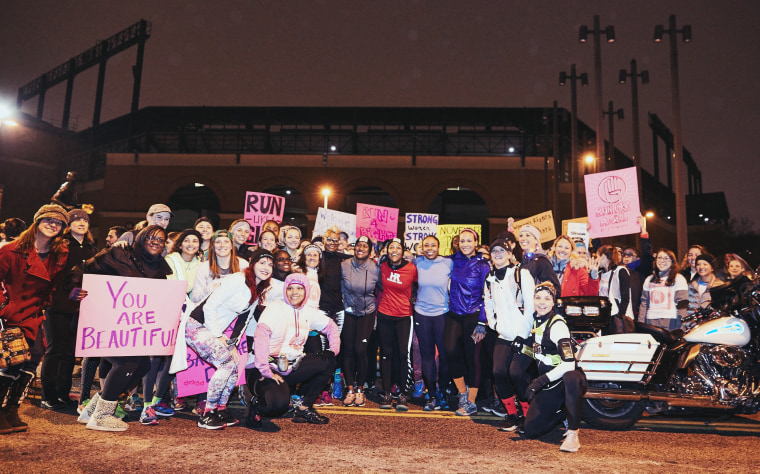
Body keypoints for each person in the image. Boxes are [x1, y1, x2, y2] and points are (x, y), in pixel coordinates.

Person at [76, 225, 173, 431]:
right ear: (141, 238)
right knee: (127, 363)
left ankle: (93, 410)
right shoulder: (120, 254)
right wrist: (75, 290)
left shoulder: (160, 269)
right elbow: (83, 270)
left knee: (143, 366)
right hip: (107, 324)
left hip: (132, 330)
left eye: (161, 239)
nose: (156, 242)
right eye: (151, 237)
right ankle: (102, 417)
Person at [183, 249, 273, 430]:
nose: (266, 267)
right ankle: (207, 413)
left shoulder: (257, 289)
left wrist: (232, 344)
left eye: (270, 265)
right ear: (252, 263)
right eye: (262, 262)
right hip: (196, 326)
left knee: (234, 362)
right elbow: (210, 307)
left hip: (212, 331)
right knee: (225, 363)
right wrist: (218, 336)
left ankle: (221, 409)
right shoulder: (237, 280)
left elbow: (243, 320)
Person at [0, 204, 69, 434]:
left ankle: (11, 410)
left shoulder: (59, 253)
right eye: (48, 220)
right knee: (13, 361)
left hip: (34, 314)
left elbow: (53, 284)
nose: (53, 224)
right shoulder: (11, 250)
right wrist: (4, 307)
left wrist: (45, 303)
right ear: (37, 222)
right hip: (12, 314)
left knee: (34, 358)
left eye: (58, 222)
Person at [247, 273, 340, 426]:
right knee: (277, 406)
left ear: (306, 291)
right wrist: (265, 371)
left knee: (328, 360)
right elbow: (261, 338)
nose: (294, 292)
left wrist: (333, 349)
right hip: (264, 368)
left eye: (299, 288)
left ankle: (304, 408)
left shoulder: (308, 311)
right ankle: (256, 405)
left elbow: (331, 327)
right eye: (290, 288)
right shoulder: (275, 308)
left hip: (291, 366)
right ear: (285, 290)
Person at [40, 209, 98, 410]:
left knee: (70, 352)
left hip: (79, 306)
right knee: (55, 349)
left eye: (85, 219)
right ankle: (48, 395)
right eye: (76, 219)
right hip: (57, 304)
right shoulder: (60, 245)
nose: (81, 222)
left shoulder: (91, 247)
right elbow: (54, 274)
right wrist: (68, 290)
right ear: (68, 225)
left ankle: (63, 393)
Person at [522, 282, 587, 453]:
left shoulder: (557, 325)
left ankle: (573, 433)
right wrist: (522, 348)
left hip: (567, 380)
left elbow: (569, 363)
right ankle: (563, 413)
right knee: (531, 430)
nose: (541, 302)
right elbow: (543, 355)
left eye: (547, 298)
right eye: (538, 297)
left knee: (571, 376)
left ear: (554, 302)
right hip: (551, 384)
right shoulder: (536, 320)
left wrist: (539, 382)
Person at [483, 239, 535, 431]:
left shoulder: (522, 274)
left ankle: (528, 415)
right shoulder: (489, 278)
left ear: (510, 254)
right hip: (503, 335)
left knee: (516, 373)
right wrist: (494, 324)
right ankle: (512, 415)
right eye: (494, 251)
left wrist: (522, 335)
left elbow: (531, 307)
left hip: (525, 335)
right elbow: (488, 304)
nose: (498, 254)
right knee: (498, 372)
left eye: (501, 251)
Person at [445, 228, 490, 416]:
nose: (465, 244)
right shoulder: (452, 261)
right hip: (454, 313)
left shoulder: (483, 265)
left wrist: (482, 322)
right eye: (462, 241)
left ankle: (471, 401)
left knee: (473, 359)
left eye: (469, 241)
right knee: (450, 352)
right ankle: (462, 393)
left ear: (476, 243)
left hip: (473, 315)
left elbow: (488, 295)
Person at [376, 238, 418, 411]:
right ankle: (387, 392)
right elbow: (378, 284)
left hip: (404, 315)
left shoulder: (411, 268)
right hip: (385, 314)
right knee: (386, 354)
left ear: (403, 251)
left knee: (403, 354)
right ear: (387, 251)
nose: (394, 250)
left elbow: (416, 286)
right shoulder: (382, 267)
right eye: (391, 247)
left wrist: (413, 298)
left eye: (397, 248)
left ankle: (403, 393)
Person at [340, 236, 380, 407]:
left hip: (367, 312)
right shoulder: (344, 265)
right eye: (358, 245)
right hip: (349, 311)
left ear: (370, 250)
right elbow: (338, 286)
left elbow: (384, 289)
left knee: (360, 350)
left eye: (365, 246)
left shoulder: (375, 268)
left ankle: (360, 389)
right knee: (347, 350)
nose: (361, 248)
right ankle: (349, 389)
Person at [413, 235, 453, 411]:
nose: (430, 248)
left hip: (442, 315)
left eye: (433, 245)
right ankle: (432, 395)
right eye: (426, 245)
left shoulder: (448, 263)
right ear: (421, 247)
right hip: (422, 314)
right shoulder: (416, 262)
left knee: (445, 356)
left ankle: (443, 392)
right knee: (427, 356)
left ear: (439, 247)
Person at [317, 226, 352, 399]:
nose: (332, 243)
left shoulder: (343, 259)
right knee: (323, 347)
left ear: (339, 243)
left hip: (339, 309)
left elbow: (361, 259)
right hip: (321, 309)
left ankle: (337, 379)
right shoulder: (318, 257)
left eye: (335, 240)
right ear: (323, 241)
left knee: (336, 346)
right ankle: (323, 385)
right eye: (329, 240)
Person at [191, 230, 249, 303]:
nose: (222, 245)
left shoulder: (243, 265)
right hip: (209, 309)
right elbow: (195, 298)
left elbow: (249, 293)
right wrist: (211, 287)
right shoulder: (204, 267)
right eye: (218, 242)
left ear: (231, 246)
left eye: (226, 242)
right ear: (212, 246)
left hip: (235, 310)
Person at [639, 249, 689, 330]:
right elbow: (644, 303)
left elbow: (682, 304)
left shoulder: (679, 278)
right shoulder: (649, 279)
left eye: (666, 258)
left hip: (670, 321)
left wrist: (681, 325)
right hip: (651, 321)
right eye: (659, 258)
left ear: (672, 262)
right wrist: (641, 323)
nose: (662, 261)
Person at [511, 221, 561, 292]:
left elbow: (555, 289)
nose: (523, 238)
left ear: (536, 240)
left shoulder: (541, 262)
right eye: (521, 235)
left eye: (528, 235)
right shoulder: (522, 262)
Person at [595, 245, 634, 334]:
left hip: (617, 317)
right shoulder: (600, 273)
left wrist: (620, 316)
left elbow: (625, 297)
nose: (596, 259)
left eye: (597, 256)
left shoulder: (620, 271)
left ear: (603, 256)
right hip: (604, 317)